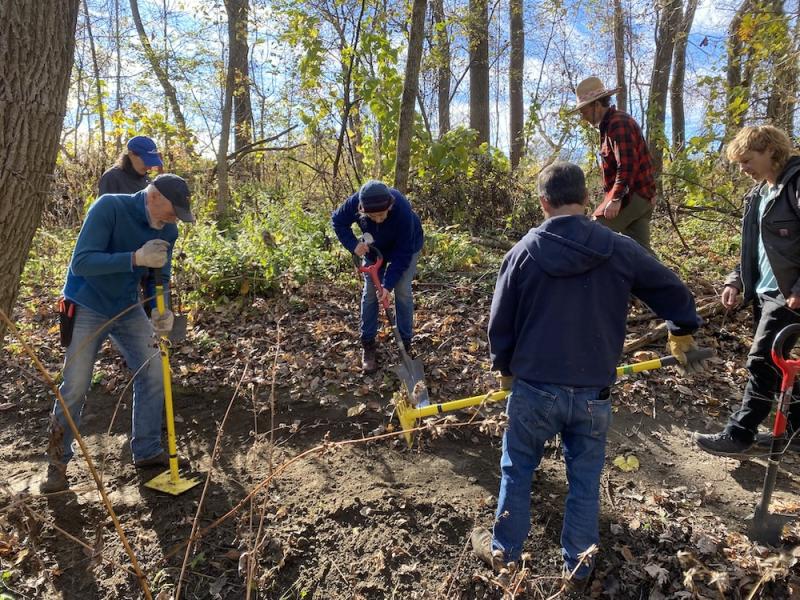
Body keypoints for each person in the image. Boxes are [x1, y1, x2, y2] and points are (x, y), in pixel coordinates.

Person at [471, 162, 703, 592]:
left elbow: (499, 323)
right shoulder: (617, 247)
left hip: (534, 388)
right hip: (593, 393)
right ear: (587, 197)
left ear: (543, 202)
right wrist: (682, 329)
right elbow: (671, 289)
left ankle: (506, 556)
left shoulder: (521, 252)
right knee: (584, 478)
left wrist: (504, 369)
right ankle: (578, 570)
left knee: (517, 470)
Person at [40, 174, 195, 494]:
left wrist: (158, 309)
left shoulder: (169, 228)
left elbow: (158, 277)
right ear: (153, 197)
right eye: (171, 209)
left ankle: (148, 451)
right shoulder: (109, 208)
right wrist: (135, 258)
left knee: (154, 368)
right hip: (86, 303)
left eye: (178, 214)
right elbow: (82, 262)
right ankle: (56, 464)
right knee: (76, 385)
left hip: (126, 307)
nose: (173, 218)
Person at [694, 125, 800, 456]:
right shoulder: (757, 196)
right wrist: (735, 280)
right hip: (766, 292)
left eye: (747, 160)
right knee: (778, 361)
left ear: (771, 150)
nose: (743, 168)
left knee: (762, 360)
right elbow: (751, 248)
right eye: (739, 163)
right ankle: (795, 434)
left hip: (788, 293)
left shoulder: (796, 184)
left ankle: (740, 434)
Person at [331, 180, 424, 373]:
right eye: (372, 216)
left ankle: (405, 344)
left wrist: (387, 285)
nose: (379, 219)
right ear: (362, 209)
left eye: (382, 214)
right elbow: (338, 221)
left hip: (406, 247)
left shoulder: (403, 209)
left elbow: (403, 254)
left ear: (390, 205)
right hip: (374, 250)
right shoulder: (355, 203)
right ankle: (368, 345)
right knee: (371, 293)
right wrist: (353, 245)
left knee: (403, 291)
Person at [571, 76, 657, 254]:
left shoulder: (618, 124)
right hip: (640, 196)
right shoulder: (610, 126)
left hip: (632, 196)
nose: (583, 117)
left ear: (596, 105)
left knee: (591, 234)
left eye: (584, 111)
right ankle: (664, 282)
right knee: (642, 254)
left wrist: (616, 199)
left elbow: (627, 165)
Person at [98, 135, 163, 195]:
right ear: (131, 155)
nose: (149, 167)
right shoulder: (112, 178)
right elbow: (104, 206)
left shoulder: (146, 180)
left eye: (152, 162)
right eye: (146, 161)